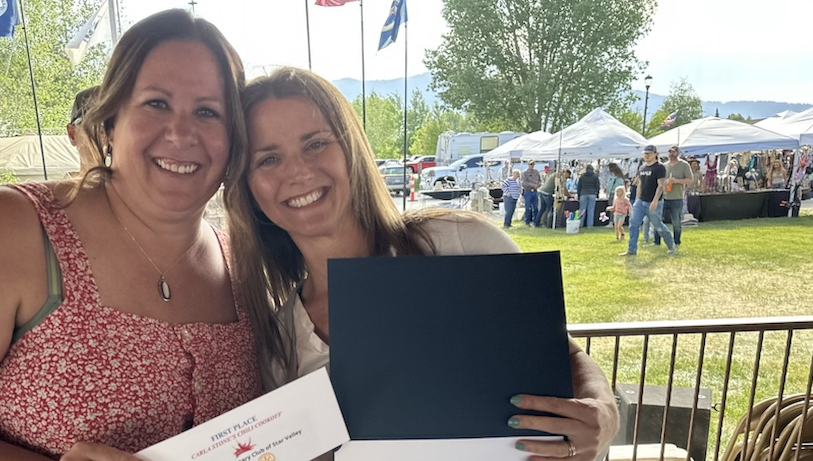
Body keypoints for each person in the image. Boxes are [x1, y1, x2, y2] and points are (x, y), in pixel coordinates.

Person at [0, 10, 262, 461]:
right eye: (156, 103)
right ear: (110, 123)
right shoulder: (8, 227)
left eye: (208, 111)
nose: (181, 132)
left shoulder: (244, 269)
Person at [224, 67, 619, 461]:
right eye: (268, 159)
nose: (297, 171)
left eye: (315, 144)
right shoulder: (280, 344)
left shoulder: (461, 243)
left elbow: (564, 357)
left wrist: (602, 411)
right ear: (248, 186)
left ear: (351, 149)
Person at [622, 145, 675, 256]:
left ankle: (671, 246)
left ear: (655, 154)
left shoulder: (659, 167)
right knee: (633, 223)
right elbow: (640, 184)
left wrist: (655, 200)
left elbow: (661, 185)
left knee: (658, 226)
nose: (646, 156)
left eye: (649, 154)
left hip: (654, 201)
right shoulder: (642, 168)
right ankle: (631, 250)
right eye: (645, 154)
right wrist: (637, 200)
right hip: (641, 201)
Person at [660, 146, 693, 247]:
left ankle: (677, 241)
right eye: (670, 152)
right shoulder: (664, 166)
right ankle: (657, 241)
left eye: (673, 152)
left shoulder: (684, 165)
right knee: (658, 220)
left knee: (676, 222)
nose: (671, 154)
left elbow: (690, 179)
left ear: (678, 153)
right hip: (663, 197)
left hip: (677, 198)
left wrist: (676, 181)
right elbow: (660, 181)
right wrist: (665, 182)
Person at [577, 164, 600, 228]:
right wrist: (597, 194)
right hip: (592, 193)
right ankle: (590, 225)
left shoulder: (582, 176)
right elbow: (597, 186)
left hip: (583, 193)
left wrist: (578, 195)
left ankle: (580, 224)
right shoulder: (595, 176)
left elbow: (579, 187)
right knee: (591, 210)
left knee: (582, 210)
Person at [521, 160, 542, 227]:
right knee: (527, 208)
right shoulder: (525, 173)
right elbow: (523, 183)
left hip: (535, 191)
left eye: (533, 164)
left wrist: (538, 185)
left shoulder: (536, 172)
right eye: (530, 164)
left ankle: (536, 222)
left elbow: (540, 180)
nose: (532, 165)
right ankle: (527, 222)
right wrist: (532, 185)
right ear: (528, 165)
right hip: (528, 191)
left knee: (535, 208)